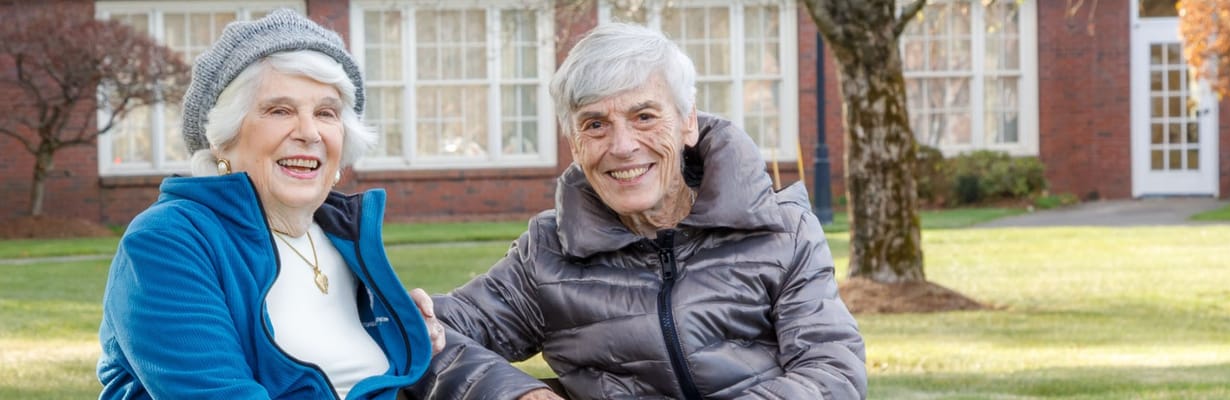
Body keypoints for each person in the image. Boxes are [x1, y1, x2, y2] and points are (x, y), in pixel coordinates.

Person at [406, 22, 867, 399]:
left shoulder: (783, 231)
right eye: (595, 125)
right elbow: (419, 337)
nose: (622, 147)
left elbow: (831, 373)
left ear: (688, 122)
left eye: (644, 116)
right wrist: (516, 394)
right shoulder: (545, 257)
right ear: (575, 143)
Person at [97, 9, 445, 399]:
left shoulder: (339, 236)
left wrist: (406, 333)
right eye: (280, 110)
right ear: (221, 138)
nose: (309, 133)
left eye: (326, 113)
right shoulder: (168, 242)